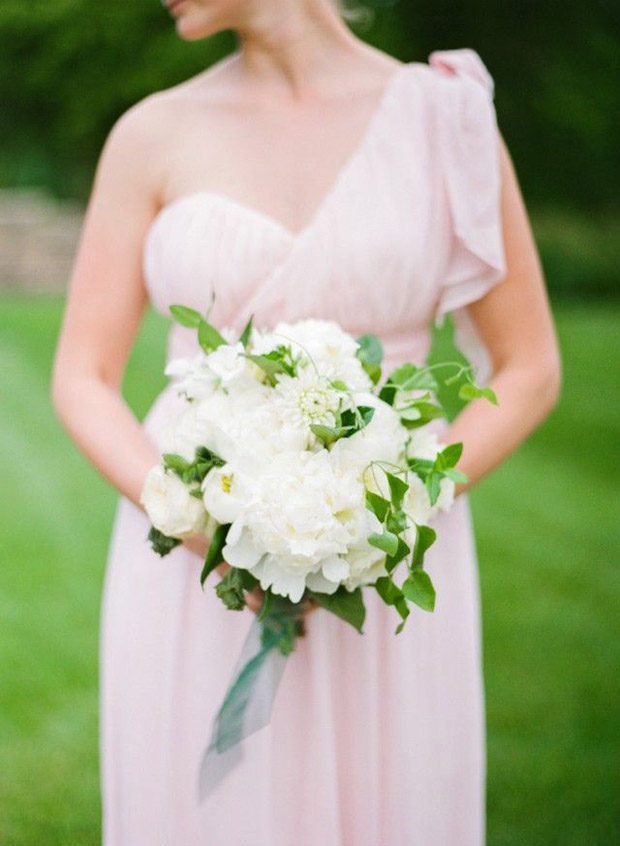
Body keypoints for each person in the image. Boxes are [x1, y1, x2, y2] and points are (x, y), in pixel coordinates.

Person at [51, 0, 561, 843]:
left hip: (387, 568)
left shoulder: (447, 117)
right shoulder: (151, 132)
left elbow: (532, 366)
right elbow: (81, 375)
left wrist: (387, 514)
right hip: (195, 569)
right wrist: (198, 523)